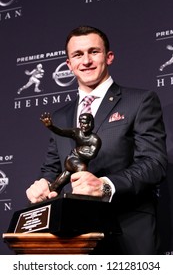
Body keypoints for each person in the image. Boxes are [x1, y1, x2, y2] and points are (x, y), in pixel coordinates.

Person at [26, 25, 167, 254]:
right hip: (74, 237)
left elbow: (154, 164)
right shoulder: (61, 115)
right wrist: (43, 185)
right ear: (69, 64)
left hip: (128, 232)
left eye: (94, 52)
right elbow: (53, 167)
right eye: (78, 55)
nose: (87, 61)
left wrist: (105, 186)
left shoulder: (139, 101)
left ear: (109, 57)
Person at [40, 112, 101, 194]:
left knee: (65, 177)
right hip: (71, 159)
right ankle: (78, 194)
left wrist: (78, 151)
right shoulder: (77, 132)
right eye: (81, 123)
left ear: (90, 123)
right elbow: (61, 132)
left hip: (79, 160)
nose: (83, 125)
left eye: (85, 123)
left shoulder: (95, 140)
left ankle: (52, 189)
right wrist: (51, 126)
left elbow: (91, 155)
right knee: (81, 168)